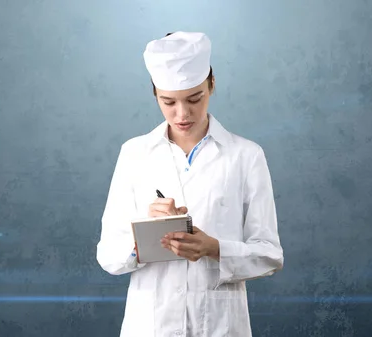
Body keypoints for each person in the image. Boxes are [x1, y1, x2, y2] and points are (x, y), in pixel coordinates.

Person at [96, 31, 284, 337]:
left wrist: (215, 248)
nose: (182, 114)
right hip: (150, 326)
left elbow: (270, 255)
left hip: (222, 327)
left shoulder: (246, 156)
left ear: (211, 85)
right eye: (168, 101)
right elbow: (108, 256)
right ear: (154, 93)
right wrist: (143, 236)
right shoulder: (134, 154)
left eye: (194, 99)